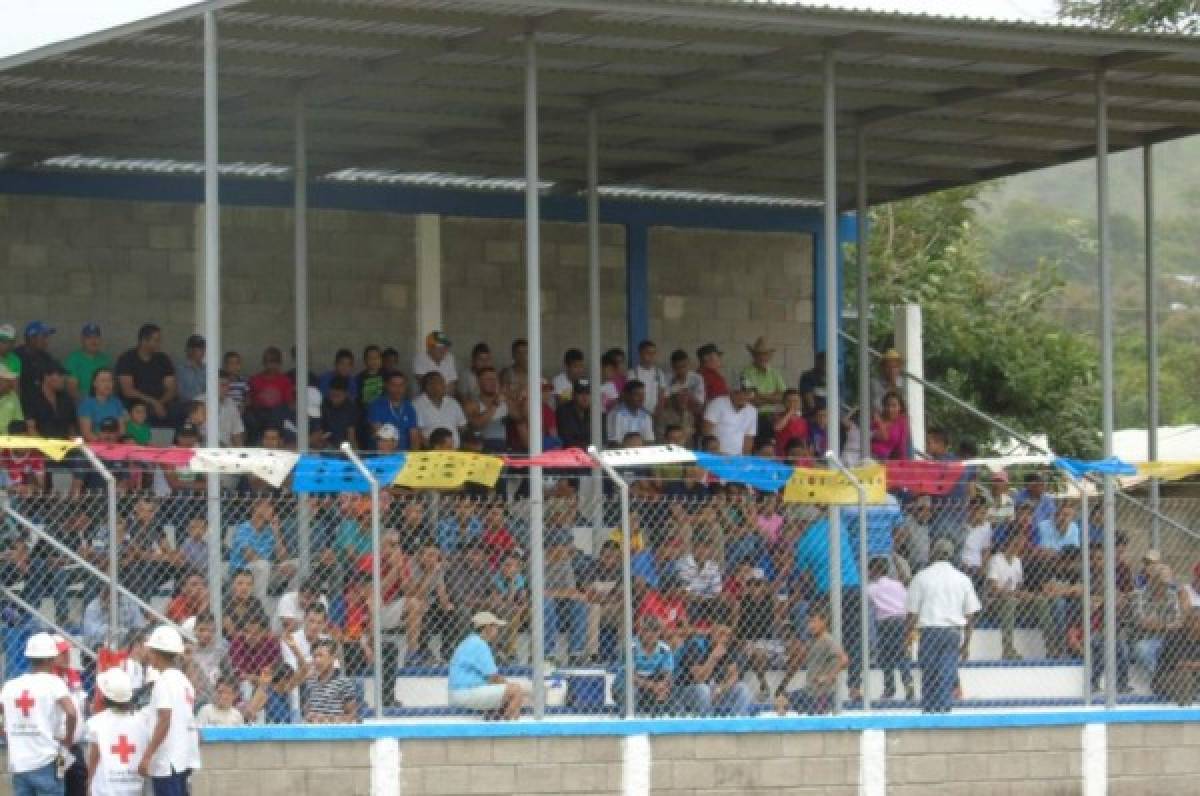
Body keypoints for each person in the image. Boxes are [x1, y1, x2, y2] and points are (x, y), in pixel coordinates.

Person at [905, 538, 981, 713]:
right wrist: (966, 644)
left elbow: (912, 613)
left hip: (929, 631)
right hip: (952, 632)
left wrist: (908, 635)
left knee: (929, 673)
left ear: (933, 553)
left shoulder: (921, 577)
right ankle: (945, 709)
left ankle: (930, 710)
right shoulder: (962, 579)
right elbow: (970, 615)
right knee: (947, 671)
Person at [0, 633, 79, 796]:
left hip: (19, 764)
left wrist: (5, 731)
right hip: (47, 761)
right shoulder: (54, 683)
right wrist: (68, 739)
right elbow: (71, 712)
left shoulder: (10, 686)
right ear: (52, 658)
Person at [138, 626, 200, 795]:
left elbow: (165, 718)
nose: (148, 655)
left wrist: (147, 755)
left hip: (168, 760)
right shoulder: (184, 681)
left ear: (157, 655)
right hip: (184, 757)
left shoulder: (163, 682)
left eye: (150, 652)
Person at [984, 530, 1054, 661]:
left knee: (1040, 600)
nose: (1020, 546)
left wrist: (1027, 596)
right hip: (996, 604)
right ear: (1009, 542)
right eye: (1017, 542)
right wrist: (1017, 594)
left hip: (1015, 602)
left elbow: (1019, 587)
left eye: (1022, 543)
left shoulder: (1017, 561)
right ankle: (1008, 649)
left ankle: (1051, 645)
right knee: (1010, 602)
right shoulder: (995, 560)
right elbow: (993, 590)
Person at [447, 612, 526, 719]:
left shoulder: (470, 641)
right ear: (488, 627)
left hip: (460, 693)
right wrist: (509, 685)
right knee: (516, 690)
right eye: (496, 627)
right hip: (465, 693)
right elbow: (494, 678)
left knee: (507, 692)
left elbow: (491, 679)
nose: (498, 630)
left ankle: (499, 724)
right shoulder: (479, 644)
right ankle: (511, 728)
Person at [86, 668, 151, 795]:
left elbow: (93, 758)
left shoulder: (96, 722)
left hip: (104, 790)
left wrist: (89, 782)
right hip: (134, 789)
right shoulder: (143, 722)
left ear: (104, 697)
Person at [776, 601, 847, 715]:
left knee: (786, 702)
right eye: (809, 622)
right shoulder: (813, 640)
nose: (810, 625)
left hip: (822, 693)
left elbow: (844, 659)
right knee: (780, 700)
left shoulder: (827, 640)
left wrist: (828, 677)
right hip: (809, 691)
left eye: (814, 621)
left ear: (824, 621)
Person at [671, 624, 753, 716]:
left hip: (714, 689)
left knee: (742, 688)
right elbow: (699, 678)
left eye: (728, 635)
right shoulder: (695, 645)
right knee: (703, 689)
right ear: (712, 633)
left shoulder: (726, 646)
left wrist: (720, 689)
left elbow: (734, 675)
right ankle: (708, 724)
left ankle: (737, 724)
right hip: (686, 690)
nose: (725, 638)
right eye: (721, 633)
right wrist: (713, 657)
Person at [866, 557, 914, 701]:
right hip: (901, 621)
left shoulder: (872, 588)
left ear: (874, 571)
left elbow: (868, 600)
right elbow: (906, 601)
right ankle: (908, 683)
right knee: (902, 654)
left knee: (886, 656)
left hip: (885, 623)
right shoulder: (898, 585)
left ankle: (889, 687)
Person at [115, 324, 177, 427]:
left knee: (177, 410)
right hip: (136, 403)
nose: (159, 344)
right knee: (141, 411)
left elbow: (172, 389)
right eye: (156, 340)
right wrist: (153, 402)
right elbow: (127, 391)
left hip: (162, 402)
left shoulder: (163, 359)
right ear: (144, 340)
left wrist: (159, 403)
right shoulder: (127, 358)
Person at [614, 615, 675, 715]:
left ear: (659, 632)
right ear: (641, 631)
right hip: (627, 683)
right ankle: (628, 721)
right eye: (647, 629)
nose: (651, 634)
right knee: (631, 691)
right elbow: (630, 676)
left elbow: (667, 674)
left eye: (655, 630)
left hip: (653, 682)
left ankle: (659, 723)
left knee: (668, 690)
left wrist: (661, 686)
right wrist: (653, 686)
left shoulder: (665, 649)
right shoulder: (630, 647)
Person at [302, 640, 359, 724]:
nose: (317, 660)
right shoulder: (311, 682)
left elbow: (352, 716)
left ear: (333, 657)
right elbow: (307, 711)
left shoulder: (343, 682)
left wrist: (326, 719)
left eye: (321, 656)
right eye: (314, 656)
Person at [702, 377, 757, 456]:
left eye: (747, 393)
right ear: (731, 392)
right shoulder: (717, 403)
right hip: (716, 457)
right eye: (739, 393)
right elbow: (706, 433)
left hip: (737, 459)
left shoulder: (752, 411)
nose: (743, 396)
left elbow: (748, 439)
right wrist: (716, 453)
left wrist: (745, 460)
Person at [367, 371, 420, 450]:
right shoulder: (377, 405)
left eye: (401, 385)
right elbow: (380, 435)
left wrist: (414, 458)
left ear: (405, 387)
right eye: (394, 385)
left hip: (405, 456)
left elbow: (414, 437)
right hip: (383, 454)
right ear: (387, 386)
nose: (398, 388)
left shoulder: (409, 407)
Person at [64, 323, 113, 405]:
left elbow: (110, 386)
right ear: (82, 340)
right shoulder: (74, 359)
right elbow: (72, 389)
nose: (93, 341)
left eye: (96, 337)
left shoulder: (105, 359)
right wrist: (91, 403)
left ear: (100, 339)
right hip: (81, 402)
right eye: (89, 338)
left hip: (104, 401)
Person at [606, 379, 654, 446]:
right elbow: (614, 443)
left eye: (643, 394)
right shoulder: (616, 414)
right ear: (626, 395)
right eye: (637, 394)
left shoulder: (646, 415)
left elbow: (649, 441)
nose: (641, 398)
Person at [871, 390, 910, 460]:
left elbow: (901, 449)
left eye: (894, 406)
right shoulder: (876, 419)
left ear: (900, 407)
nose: (890, 409)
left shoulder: (902, 422)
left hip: (883, 459)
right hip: (866, 455)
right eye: (887, 405)